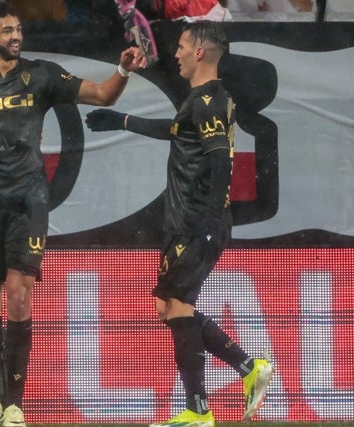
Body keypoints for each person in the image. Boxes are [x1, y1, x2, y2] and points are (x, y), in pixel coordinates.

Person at [84, 21, 274, 427]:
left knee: (176, 307)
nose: (176, 53)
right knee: (168, 307)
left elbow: (221, 160)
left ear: (201, 53)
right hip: (187, 221)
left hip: (194, 222)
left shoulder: (206, 102)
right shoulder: (206, 101)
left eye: (183, 46)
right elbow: (175, 132)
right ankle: (247, 368)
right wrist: (122, 121)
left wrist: (207, 223)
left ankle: (199, 410)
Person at [0, 3, 146, 426]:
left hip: (30, 201)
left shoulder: (43, 73)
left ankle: (14, 405)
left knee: (19, 294)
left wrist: (123, 70)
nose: (16, 35)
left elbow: (101, 94)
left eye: (19, 28)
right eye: (7, 30)